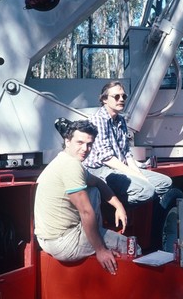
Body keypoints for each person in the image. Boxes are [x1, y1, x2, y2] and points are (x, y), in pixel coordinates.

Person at [34, 118, 136, 275]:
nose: (85, 149)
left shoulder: (63, 159)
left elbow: (98, 182)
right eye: (79, 142)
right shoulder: (71, 166)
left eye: (89, 144)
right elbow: (86, 212)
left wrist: (118, 206)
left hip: (47, 240)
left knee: (93, 190)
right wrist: (100, 249)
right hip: (64, 243)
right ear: (67, 141)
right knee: (131, 246)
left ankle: (97, 235)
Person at [83, 81, 173, 207]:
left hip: (118, 167)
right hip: (99, 170)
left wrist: (139, 175)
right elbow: (107, 159)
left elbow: (127, 154)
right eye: (116, 96)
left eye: (123, 96)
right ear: (104, 99)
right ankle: (112, 205)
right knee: (147, 190)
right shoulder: (98, 120)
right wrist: (139, 177)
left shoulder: (121, 120)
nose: (121, 99)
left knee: (165, 182)